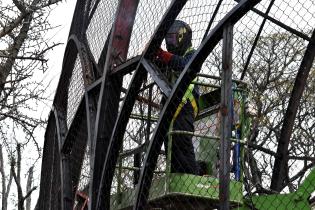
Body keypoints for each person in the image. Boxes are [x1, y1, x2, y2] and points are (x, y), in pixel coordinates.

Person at [154, 20, 199, 175]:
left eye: (173, 38)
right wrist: (153, 55)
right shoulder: (171, 59)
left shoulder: (192, 54)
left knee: (181, 139)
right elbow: (160, 67)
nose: (170, 42)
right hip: (169, 105)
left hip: (186, 104)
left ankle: (192, 177)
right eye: (168, 39)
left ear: (182, 37)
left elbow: (183, 65)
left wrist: (162, 54)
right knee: (169, 142)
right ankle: (174, 176)